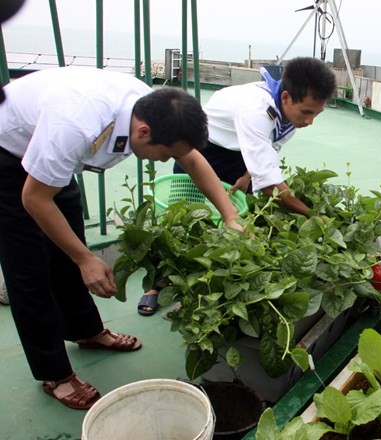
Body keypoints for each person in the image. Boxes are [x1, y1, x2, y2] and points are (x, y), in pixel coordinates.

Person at [0, 66, 242, 410]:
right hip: (8, 153)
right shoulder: (74, 124)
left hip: (49, 151)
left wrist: (230, 215)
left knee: (69, 246)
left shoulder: (149, 108)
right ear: (143, 132)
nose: (168, 161)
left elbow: (192, 159)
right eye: (167, 154)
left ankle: (86, 332)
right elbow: (34, 198)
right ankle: (55, 375)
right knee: (29, 271)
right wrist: (86, 259)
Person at [138, 57, 337, 315]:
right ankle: (156, 285)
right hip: (203, 151)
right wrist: (312, 215)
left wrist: (247, 175)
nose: (310, 121)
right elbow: (271, 184)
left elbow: (269, 147)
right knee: (183, 218)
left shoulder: (289, 115)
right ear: (286, 97)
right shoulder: (256, 110)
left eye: (316, 114)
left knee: (238, 219)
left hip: (236, 152)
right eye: (307, 113)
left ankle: (211, 285)